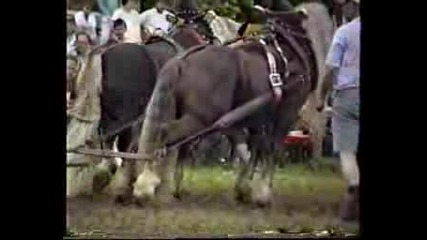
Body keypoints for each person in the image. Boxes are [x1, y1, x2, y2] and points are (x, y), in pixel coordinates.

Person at [316, 0, 360, 222]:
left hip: (348, 95)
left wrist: (321, 98)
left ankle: (354, 186)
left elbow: (331, 68)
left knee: (347, 150)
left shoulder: (344, 32)